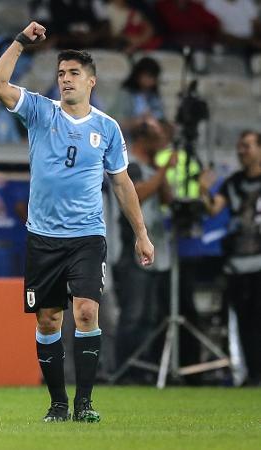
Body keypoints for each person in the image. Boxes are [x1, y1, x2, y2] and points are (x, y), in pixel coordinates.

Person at [0, 21, 154, 422]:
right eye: (61, 74)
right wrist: (20, 43)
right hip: (43, 236)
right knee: (49, 320)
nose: (65, 80)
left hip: (86, 236)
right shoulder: (40, 111)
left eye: (73, 74)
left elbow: (121, 183)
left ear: (91, 81)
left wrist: (141, 234)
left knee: (85, 313)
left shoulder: (107, 127)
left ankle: (84, 404)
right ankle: (58, 404)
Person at [113, 122, 174, 382]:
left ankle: (144, 368)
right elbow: (137, 194)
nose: (163, 143)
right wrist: (162, 171)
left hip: (155, 247)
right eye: (159, 138)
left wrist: (163, 176)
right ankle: (125, 369)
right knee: (133, 314)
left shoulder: (149, 168)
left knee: (150, 314)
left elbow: (166, 200)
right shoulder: (131, 164)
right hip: (131, 250)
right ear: (144, 139)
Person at [199, 130, 261, 386]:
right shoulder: (234, 182)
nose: (241, 151)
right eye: (239, 147)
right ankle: (252, 374)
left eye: (247, 146)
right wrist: (204, 190)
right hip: (238, 264)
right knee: (245, 322)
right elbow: (214, 208)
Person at [109, 57, 165, 139]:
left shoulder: (154, 96)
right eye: (148, 76)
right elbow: (115, 122)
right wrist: (139, 121)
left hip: (149, 135)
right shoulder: (125, 94)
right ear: (138, 75)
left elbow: (161, 117)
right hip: (127, 137)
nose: (151, 80)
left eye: (154, 77)